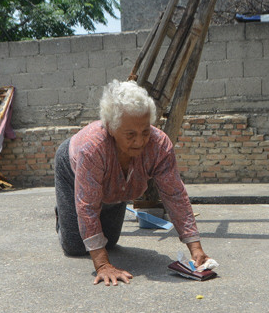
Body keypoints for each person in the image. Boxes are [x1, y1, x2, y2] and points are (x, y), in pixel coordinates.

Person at [54, 79, 211, 286]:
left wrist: (195, 247)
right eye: (130, 135)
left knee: (109, 242)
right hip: (72, 169)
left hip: (118, 187)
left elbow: (174, 195)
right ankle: (64, 213)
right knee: (75, 246)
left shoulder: (159, 145)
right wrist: (102, 265)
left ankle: (98, 206)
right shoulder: (92, 148)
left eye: (145, 131)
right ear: (111, 128)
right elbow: (87, 206)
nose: (139, 141)